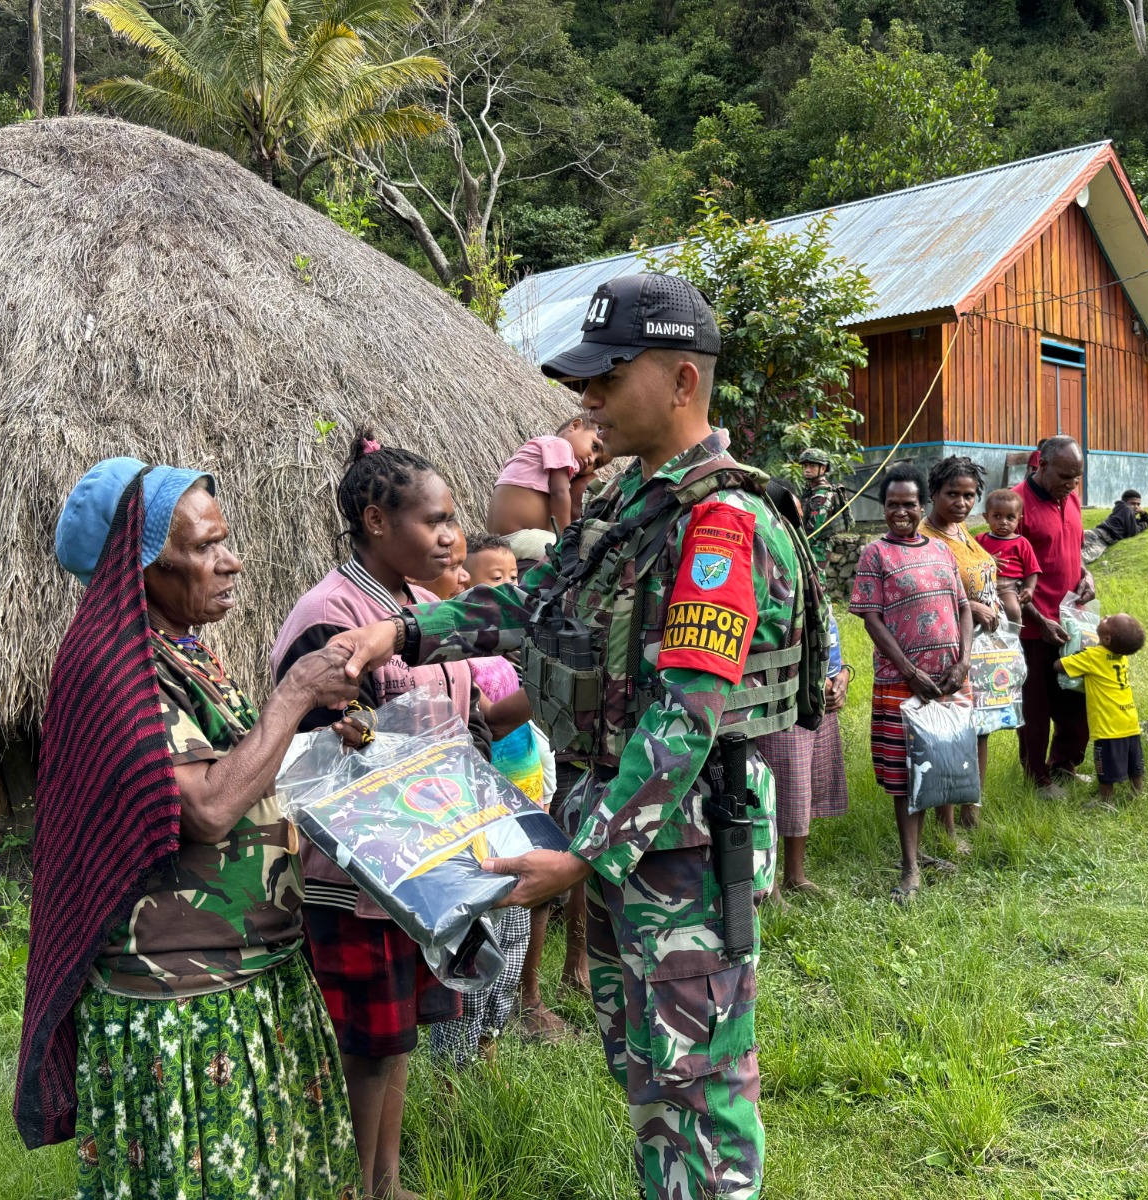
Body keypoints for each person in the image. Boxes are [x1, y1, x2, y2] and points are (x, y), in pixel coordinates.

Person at [325, 273, 810, 1200]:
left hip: (687, 853)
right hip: (640, 848)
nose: (584, 399)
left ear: (680, 380)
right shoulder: (634, 506)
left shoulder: (719, 524)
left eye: (607, 377)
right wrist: (406, 629)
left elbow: (686, 716)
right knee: (648, 1075)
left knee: (697, 1090)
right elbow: (536, 603)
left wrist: (583, 857)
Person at [17, 459, 362, 1197]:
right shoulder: (113, 669)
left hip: (248, 979)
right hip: (186, 1008)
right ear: (134, 566)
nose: (230, 561)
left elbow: (243, 765)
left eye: (224, 541)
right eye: (205, 548)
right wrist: (296, 691)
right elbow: (205, 808)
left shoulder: (185, 650)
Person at [270, 433, 518, 1196]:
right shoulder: (331, 616)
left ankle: (384, 1182)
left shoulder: (413, 609)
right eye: (434, 521)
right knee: (365, 1044)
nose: (452, 536)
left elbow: (451, 722)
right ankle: (353, 1183)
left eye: (453, 520)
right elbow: (313, 754)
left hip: (415, 863)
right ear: (377, 521)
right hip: (358, 872)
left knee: (396, 1036)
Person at [460, 532, 576, 1041]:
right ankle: (472, 1040)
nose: (508, 591)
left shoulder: (512, 653)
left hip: (528, 799)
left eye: (513, 579)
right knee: (492, 918)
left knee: (529, 909)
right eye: (493, 581)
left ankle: (516, 1006)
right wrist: (549, 683)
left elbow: (534, 736)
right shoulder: (465, 657)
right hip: (490, 811)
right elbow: (492, 722)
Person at [852, 462, 973, 902]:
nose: (900, 512)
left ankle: (949, 835)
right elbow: (870, 618)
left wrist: (963, 662)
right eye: (891, 505)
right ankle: (910, 866)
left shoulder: (942, 550)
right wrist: (910, 671)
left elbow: (962, 605)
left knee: (946, 763)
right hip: (902, 682)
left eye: (908, 505)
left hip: (950, 679)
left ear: (922, 506)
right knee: (906, 777)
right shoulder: (875, 554)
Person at [756, 479, 852, 895]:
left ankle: (795, 875)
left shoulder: (807, 565)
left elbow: (827, 625)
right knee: (779, 789)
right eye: (787, 516)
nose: (795, 524)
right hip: (779, 696)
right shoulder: (761, 570)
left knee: (804, 786)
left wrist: (842, 673)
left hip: (817, 691)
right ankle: (770, 883)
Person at [919, 456, 1001, 832]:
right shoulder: (925, 538)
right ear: (933, 492)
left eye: (969, 495)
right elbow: (927, 595)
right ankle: (947, 822)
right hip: (945, 646)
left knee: (977, 731)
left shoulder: (960, 531)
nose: (962, 503)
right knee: (949, 734)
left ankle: (972, 812)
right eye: (953, 494)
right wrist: (975, 606)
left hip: (978, 649)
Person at [1013, 437, 1097, 797]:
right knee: (1036, 707)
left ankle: (1063, 765)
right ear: (1042, 465)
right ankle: (1038, 778)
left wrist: (1086, 575)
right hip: (1034, 628)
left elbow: (1072, 549)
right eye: (1065, 476)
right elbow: (1007, 578)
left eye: (1076, 477)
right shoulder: (1015, 506)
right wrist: (1036, 619)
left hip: (1072, 624)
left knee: (1076, 702)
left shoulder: (1071, 498)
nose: (1071, 485)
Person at [486, 415, 604, 564]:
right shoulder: (560, 445)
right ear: (575, 426)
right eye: (595, 446)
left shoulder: (542, 449)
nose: (592, 459)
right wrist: (567, 534)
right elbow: (559, 492)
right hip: (518, 538)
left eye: (597, 463)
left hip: (504, 538)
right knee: (580, 555)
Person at [1056, 614, 1146, 803]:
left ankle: (1106, 802)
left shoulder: (1093, 656)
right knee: (1134, 764)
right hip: (1129, 721)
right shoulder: (1122, 657)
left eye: (1108, 620)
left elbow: (1058, 666)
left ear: (1106, 639)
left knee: (1104, 766)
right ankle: (1138, 794)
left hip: (1108, 726)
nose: (1104, 616)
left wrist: (1071, 651)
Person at [976, 489, 1041, 627]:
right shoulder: (980, 540)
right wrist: (987, 561)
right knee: (981, 616)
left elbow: (1032, 570)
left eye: (1010, 517)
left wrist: (1029, 589)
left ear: (1019, 519)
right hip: (982, 585)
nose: (1003, 522)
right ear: (986, 517)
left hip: (1007, 587)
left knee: (1013, 610)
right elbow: (970, 560)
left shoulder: (1021, 542)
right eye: (997, 516)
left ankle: (1012, 640)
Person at [799, 448, 854, 567]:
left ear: (823, 468)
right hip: (810, 550)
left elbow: (815, 528)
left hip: (817, 551)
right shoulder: (812, 491)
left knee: (818, 584)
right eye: (805, 466)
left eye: (812, 466)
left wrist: (798, 546)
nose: (807, 470)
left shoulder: (822, 494)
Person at [1081, 488, 1148, 563]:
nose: (1136, 507)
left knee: (1076, 558)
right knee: (1081, 559)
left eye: (1138, 504)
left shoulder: (1124, 513)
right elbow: (1133, 532)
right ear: (1125, 502)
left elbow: (1147, 521)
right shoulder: (1126, 509)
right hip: (1098, 538)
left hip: (1097, 536)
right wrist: (1144, 524)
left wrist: (1143, 513)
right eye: (1133, 503)